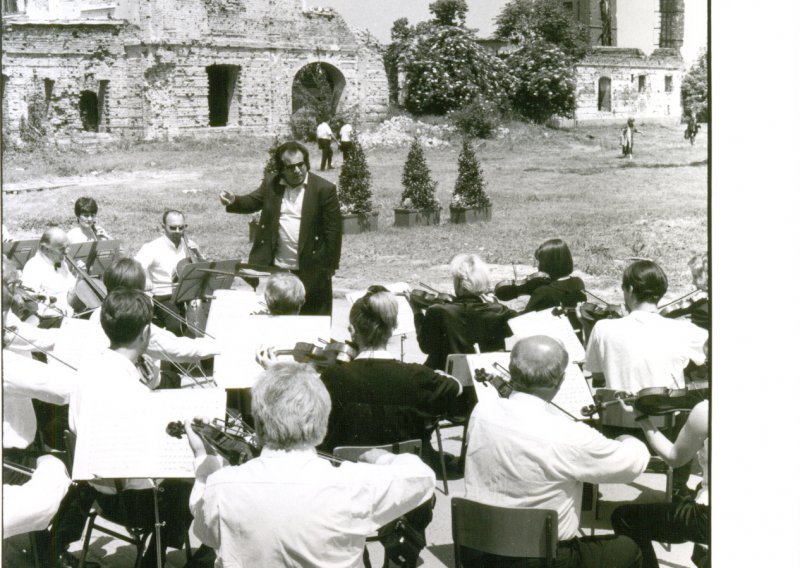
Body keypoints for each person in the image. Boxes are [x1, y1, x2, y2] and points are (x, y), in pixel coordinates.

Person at [186, 361, 436, 566]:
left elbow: (203, 526)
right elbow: (423, 477)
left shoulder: (221, 486)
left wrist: (204, 460)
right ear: (322, 426)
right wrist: (381, 457)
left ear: (259, 427)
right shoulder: (352, 484)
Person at [463, 335, 649, 567]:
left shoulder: (482, 411)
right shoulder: (570, 435)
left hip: (479, 551)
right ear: (560, 382)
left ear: (511, 371)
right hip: (543, 559)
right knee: (630, 549)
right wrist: (628, 438)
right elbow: (633, 465)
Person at [68, 289, 192, 568]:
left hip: (96, 490)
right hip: (134, 505)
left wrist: (147, 388)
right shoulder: (135, 393)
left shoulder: (86, 370)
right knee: (198, 476)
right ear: (145, 332)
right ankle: (154, 559)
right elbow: (157, 451)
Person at [319, 289, 462, 463]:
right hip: (400, 473)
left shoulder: (333, 376)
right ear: (392, 329)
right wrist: (437, 375)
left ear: (352, 330)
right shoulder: (417, 376)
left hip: (347, 474)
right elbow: (456, 387)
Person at [219, 141, 342, 316]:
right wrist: (234, 201)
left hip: (312, 268)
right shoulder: (271, 183)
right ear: (282, 169)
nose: (297, 171)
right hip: (279, 268)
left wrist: (330, 265)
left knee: (313, 318)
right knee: (280, 317)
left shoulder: (324, 189)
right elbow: (253, 201)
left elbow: (333, 231)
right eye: (290, 167)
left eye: (301, 165)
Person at [611, 397, 709, 568]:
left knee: (623, 518)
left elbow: (674, 458)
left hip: (707, 518)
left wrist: (642, 418)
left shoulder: (706, 411)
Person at [584, 259, 707, 392]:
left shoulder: (602, 328)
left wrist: (586, 325)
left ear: (630, 289)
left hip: (620, 411)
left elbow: (597, 375)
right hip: (667, 410)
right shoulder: (686, 330)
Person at [92, 257, 219, 368]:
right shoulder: (133, 319)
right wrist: (219, 346)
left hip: (103, 373)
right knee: (172, 379)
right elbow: (178, 349)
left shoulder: (98, 313)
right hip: (128, 379)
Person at [411, 253, 517, 371]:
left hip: (448, 381)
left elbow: (426, 347)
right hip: (488, 379)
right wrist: (496, 305)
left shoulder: (437, 311)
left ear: (459, 283)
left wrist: (417, 312)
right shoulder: (500, 312)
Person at [135, 210, 204, 387]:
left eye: (182, 227)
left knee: (208, 318)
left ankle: (198, 359)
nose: (178, 231)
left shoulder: (188, 245)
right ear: (162, 227)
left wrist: (198, 254)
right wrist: (147, 278)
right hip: (163, 296)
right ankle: (172, 367)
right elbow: (137, 266)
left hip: (186, 294)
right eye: (173, 227)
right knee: (176, 325)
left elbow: (202, 269)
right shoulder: (152, 247)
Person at [21, 227, 77, 322]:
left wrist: (79, 278)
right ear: (45, 249)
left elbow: (71, 288)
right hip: (52, 320)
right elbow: (33, 306)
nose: (67, 251)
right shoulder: (33, 267)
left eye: (68, 246)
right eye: (62, 248)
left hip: (70, 314)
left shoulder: (61, 261)